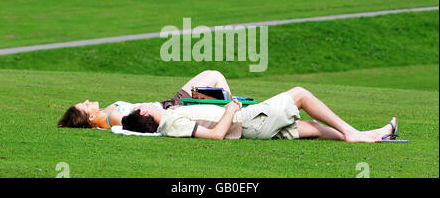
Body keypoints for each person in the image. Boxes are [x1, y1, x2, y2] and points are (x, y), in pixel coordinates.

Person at [122, 86, 401, 143]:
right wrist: (231, 108)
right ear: (145, 112)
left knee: (312, 127)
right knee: (301, 94)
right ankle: (352, 133)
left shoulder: (170, 119)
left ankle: (371, 134)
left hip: (249, 124)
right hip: (248, 121)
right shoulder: (170, 124)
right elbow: (216, 135)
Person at [57, 70, 232, 129]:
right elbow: (139, 123)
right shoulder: (112, 119)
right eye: (85, 106)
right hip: (171, 108)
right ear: (91, 118)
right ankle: (233, 110)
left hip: (168, 104)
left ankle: (231, 108)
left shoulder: (108, 111)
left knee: (212, 85)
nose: (87, 100)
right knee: (214, 76)